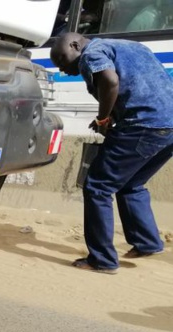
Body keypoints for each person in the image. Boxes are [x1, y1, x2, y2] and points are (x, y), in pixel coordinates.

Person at [50, 33, 173, 273]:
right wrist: (109, 117)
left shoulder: (91, 54)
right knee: (131, 184)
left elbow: (110, 81)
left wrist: (103, 118)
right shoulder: (131, 46)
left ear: (75, 45)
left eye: (62, 60)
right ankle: (147, 243)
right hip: (168, 127)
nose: (63, 69)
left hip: (143, 126)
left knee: (97, 187)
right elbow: (139, 86)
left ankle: (102, 260)